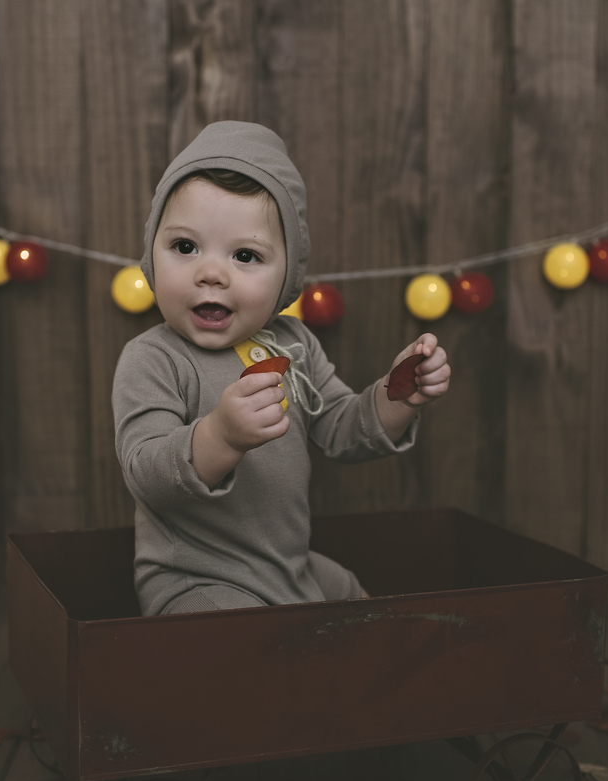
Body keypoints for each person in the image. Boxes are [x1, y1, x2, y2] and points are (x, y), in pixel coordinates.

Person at [112, 121, 451, 616]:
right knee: (233, 643)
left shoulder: (293, 345)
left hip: (286, 566)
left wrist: (396, 394)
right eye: (185, 247)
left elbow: (340, 427)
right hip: (197, 576)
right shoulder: (153, 358)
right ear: (151, 255)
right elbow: (145, 472)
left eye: (245, 255)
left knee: (356, 600)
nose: (211, 273)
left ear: (287, 278)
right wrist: (221, 437)